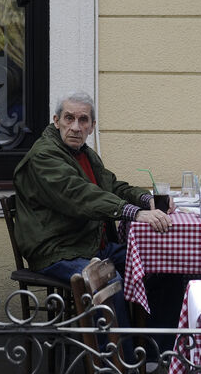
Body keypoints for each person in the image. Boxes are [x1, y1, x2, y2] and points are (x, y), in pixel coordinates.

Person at [13, 91, 173, 285]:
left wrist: (146, 199)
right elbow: (80, 195)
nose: (75, 127)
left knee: (160, 264)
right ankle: (118, 307)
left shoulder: (84, 153)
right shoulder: (44, 156)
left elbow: (113, 187)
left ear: (92, 126)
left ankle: (150, 308)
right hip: (58, 250)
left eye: (83, 120)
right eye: (69, 118)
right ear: (56, 121)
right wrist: (135, 213)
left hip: (90, 245)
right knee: (109, 281)